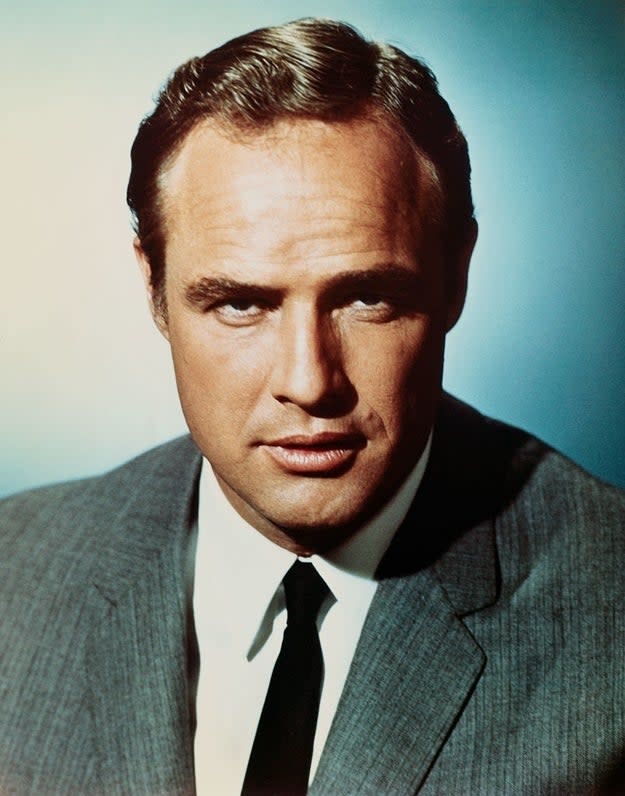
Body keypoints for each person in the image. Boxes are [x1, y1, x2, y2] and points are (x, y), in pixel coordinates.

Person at [1, 17, 624, 796]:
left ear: (455, 275)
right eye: (238, 304)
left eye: (367, 297)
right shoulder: (12, 578)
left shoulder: (610, 619)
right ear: (152, 288)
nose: (308, 381)